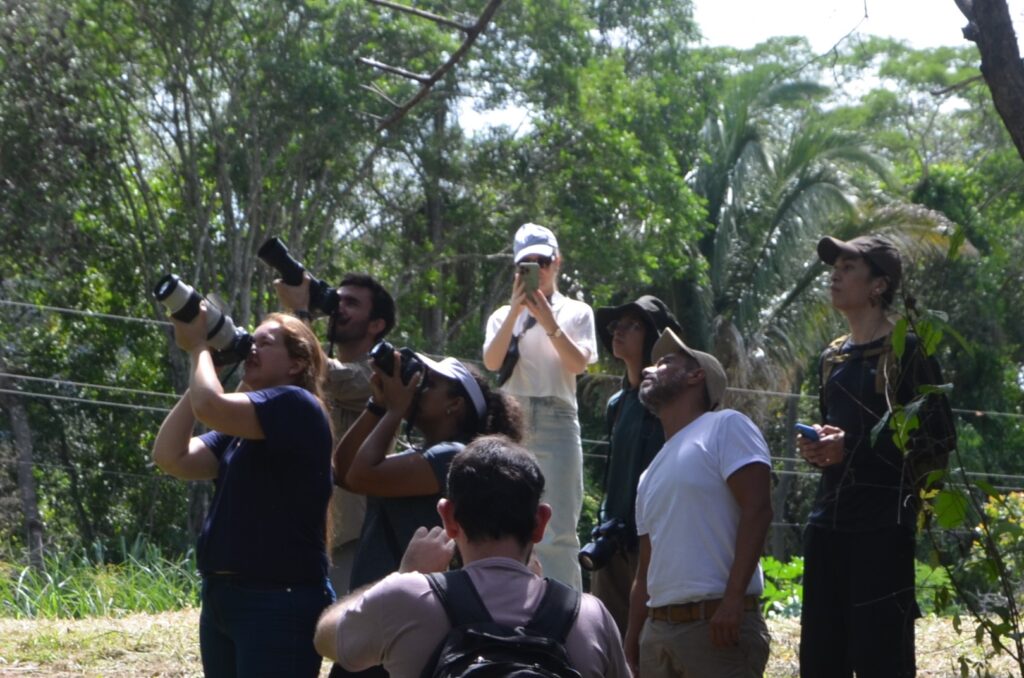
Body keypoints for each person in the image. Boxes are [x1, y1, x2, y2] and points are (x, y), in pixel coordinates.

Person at [314, 435, 630, 677]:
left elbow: (325, 638)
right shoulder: (590, 617)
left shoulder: (406, 598)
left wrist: (404, 573)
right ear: (541, 523)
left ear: (448, 517)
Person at [798, 235, 956, 678]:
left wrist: (852, 447)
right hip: (826, 523)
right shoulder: (832, 357)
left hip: (883, 528)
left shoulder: (909, 350)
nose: (835, 275)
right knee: (819, 659)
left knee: (881, 659)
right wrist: (818, 447)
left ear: (879, 286)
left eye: (849, 267)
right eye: (835, 267)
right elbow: (837, 436)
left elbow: (938, 437)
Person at [152, 308, 333, 677]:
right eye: (251, 339)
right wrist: (209, 368)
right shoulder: (242, 430)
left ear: (297, 364)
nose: (252, 347)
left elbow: (211, 406)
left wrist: (199, 349)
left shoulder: (298, 406)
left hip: (277, 603)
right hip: (226, 597)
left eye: (265, 343)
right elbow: (172, 456)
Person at [625, 328, 773, 678]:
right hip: (658, 635)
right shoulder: (649, 474)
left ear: (696, 375)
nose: (649, 369)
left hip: (717, 628)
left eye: (664, 362)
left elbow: (759, 509)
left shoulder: (726, 426)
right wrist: (632, 639)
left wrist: (733, 600)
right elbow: (645, 570)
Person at [482, 222, 598, 590]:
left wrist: (548, 320)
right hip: (511, 417)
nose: (535, 271)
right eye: (524, 266)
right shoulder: (503, 316)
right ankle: (506, 605)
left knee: (559, 532)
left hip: (558, 418)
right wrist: (517, 311)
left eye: (542, 262)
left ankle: (566, 620)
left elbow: (578, 364)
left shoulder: (576, 311)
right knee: (503, 521)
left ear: (557, 262)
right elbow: (492, 361)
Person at [276, 272, 396, 595]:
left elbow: (314, 369)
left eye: (352, 304)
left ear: (376, 325)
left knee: (345, 636)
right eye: (337, 300)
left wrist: (301, 313)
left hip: (353, 538)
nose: (339, 308)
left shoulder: (379, 375)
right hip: (311, 529)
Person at [589, 294, 681, 634]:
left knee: (651, 640)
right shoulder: (616, 405)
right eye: (616, 325)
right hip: (612, 539)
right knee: (608, 636)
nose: (619, 332)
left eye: (633, 325)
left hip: (656, 542)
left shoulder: (673, 402)